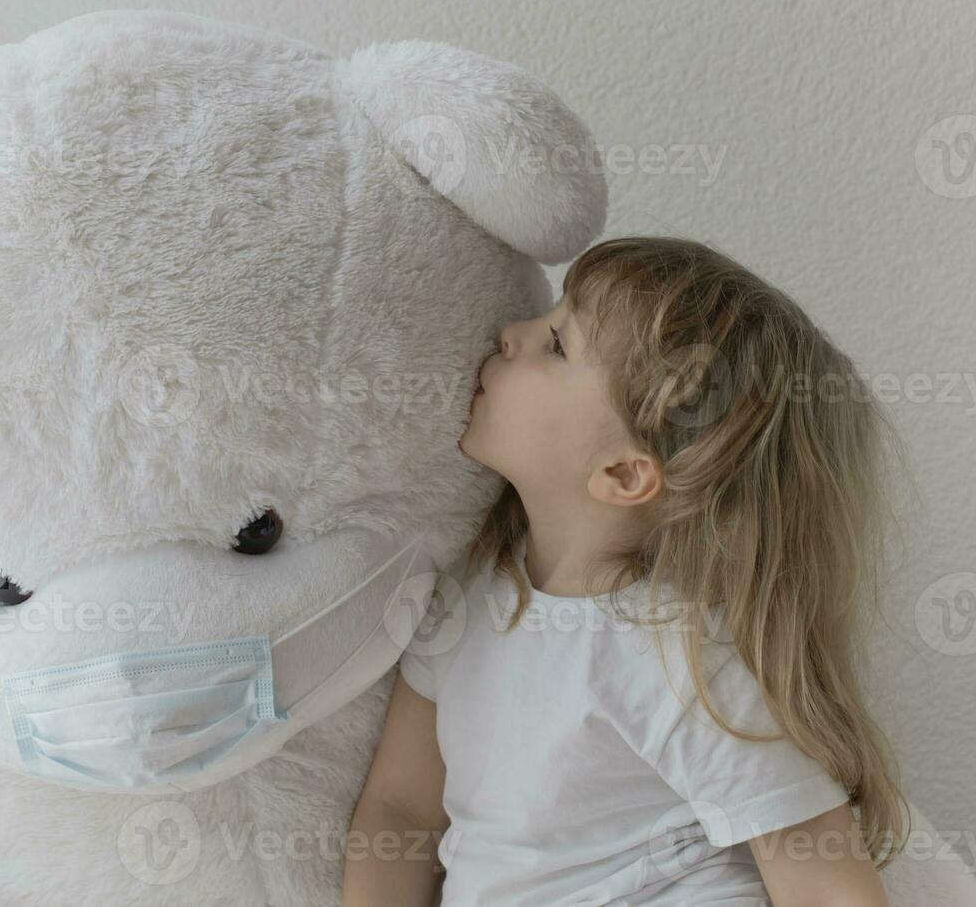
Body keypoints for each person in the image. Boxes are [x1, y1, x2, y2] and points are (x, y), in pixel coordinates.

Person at [342, 236, 908, 906]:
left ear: (622, 472)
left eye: (556, 344)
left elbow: (824, 882)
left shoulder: (687, 656)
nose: (510, 333)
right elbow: (399, 809)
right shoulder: (463, 600)